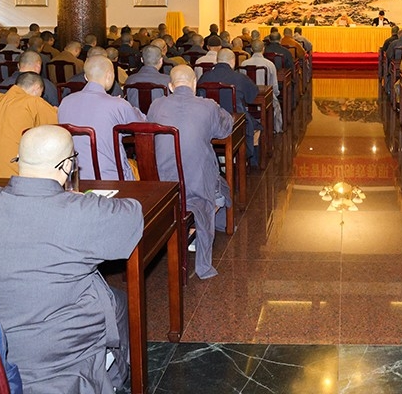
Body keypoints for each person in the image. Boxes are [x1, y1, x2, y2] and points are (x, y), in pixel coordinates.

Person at [0, 125, 142, 394]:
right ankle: (111, 377)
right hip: (49, 353)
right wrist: (78, 199)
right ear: (68, 166)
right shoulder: (80, 211)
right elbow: (133, 213)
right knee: (116, 300)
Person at [146, 65, 234, 279]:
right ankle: (207, 230)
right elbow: (225, 129)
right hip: (196, 184)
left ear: (170, 86)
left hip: (163, 185)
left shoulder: (156, 105)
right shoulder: (207, 106)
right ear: (195, 84)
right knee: (221, 187)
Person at [58, 55, 145, 181]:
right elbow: (142, 126)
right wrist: (128, 107)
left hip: (74, 178)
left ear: (86, 77)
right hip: (112, 179)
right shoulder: (117, 105)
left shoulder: (65, 102)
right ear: (109, 75)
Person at [0, 72, 58, 178]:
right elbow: (58, 127)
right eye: (41, 93)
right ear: (36, 88)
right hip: (17, 176)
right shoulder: (33, 102)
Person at [199, 50, 260, 167]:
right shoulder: (240, 78)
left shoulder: (204, 77)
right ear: (233, 61)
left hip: (209, 123)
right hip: (235, 123)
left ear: (217, 60)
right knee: (256, 126)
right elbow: (252, 96)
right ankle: (248, 160)